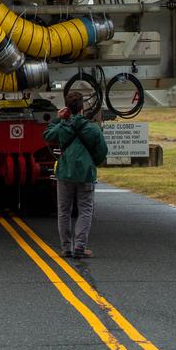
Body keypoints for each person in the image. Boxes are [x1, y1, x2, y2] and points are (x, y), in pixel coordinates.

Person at [44, 90, 108, 259]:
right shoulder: (92, 129)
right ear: (82, 108)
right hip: (86, 174)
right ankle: (80, 246)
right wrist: (91, 162)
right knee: (85, 210)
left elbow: (47, 135)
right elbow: (102, 152)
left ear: (67, 108)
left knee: (63, 211)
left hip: (65, 173)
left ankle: (66, 248)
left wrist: (58, 118)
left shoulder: (63, 127)